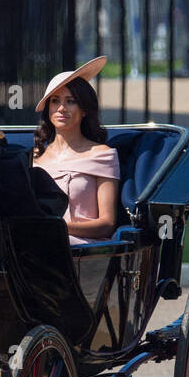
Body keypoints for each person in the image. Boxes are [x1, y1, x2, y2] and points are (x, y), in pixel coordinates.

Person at [31, 57, 119, 246]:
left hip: (81, 251)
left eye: (70, 101)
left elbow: (107, 224)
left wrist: (59, 226)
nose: (61, 108)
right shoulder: (35, 158)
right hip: (34, 247)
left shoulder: (103, 155)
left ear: (84, 109)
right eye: (55, 101)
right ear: (48, 109)